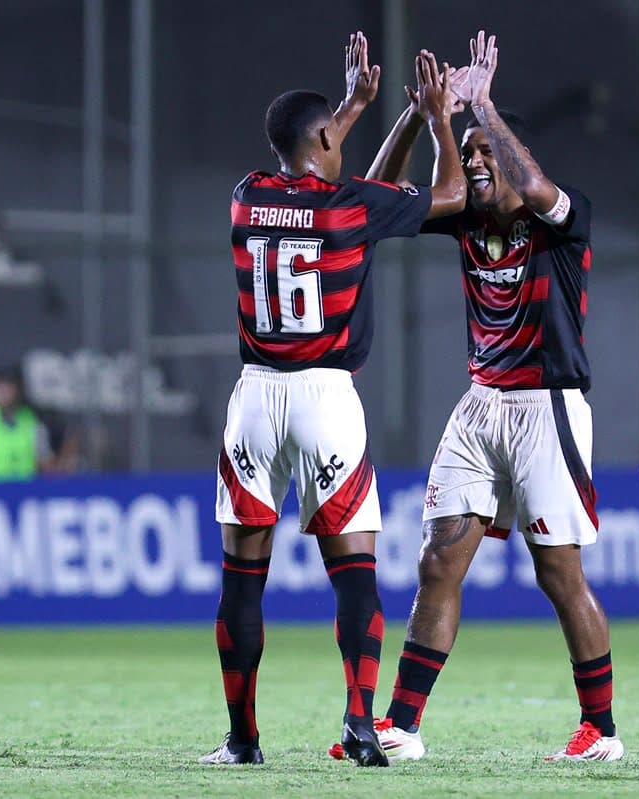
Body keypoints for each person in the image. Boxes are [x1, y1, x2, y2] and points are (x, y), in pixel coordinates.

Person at [330, 30, 623, 763]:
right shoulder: (465, 214)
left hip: (545, 405)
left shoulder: (563, 215)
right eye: (474, 152)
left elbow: (540, 187)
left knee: (559, 572)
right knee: (437, 561)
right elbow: (371, 193)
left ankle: (601, 730)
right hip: (479, 404)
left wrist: (484, 108)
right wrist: (420, 116)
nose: (480, 162)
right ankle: (400, 724)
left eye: (489, 151)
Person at [200, 32, 466, 767]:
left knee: (241, 578)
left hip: (254, 400)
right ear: (323, 138)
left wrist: (353, 108)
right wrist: (436, 116)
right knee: (353, 570)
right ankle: (359, 719)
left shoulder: (246, 195)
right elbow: (449, 196)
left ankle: (242, 740)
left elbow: (316, 157)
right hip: (327, 397)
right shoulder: (350, 206)